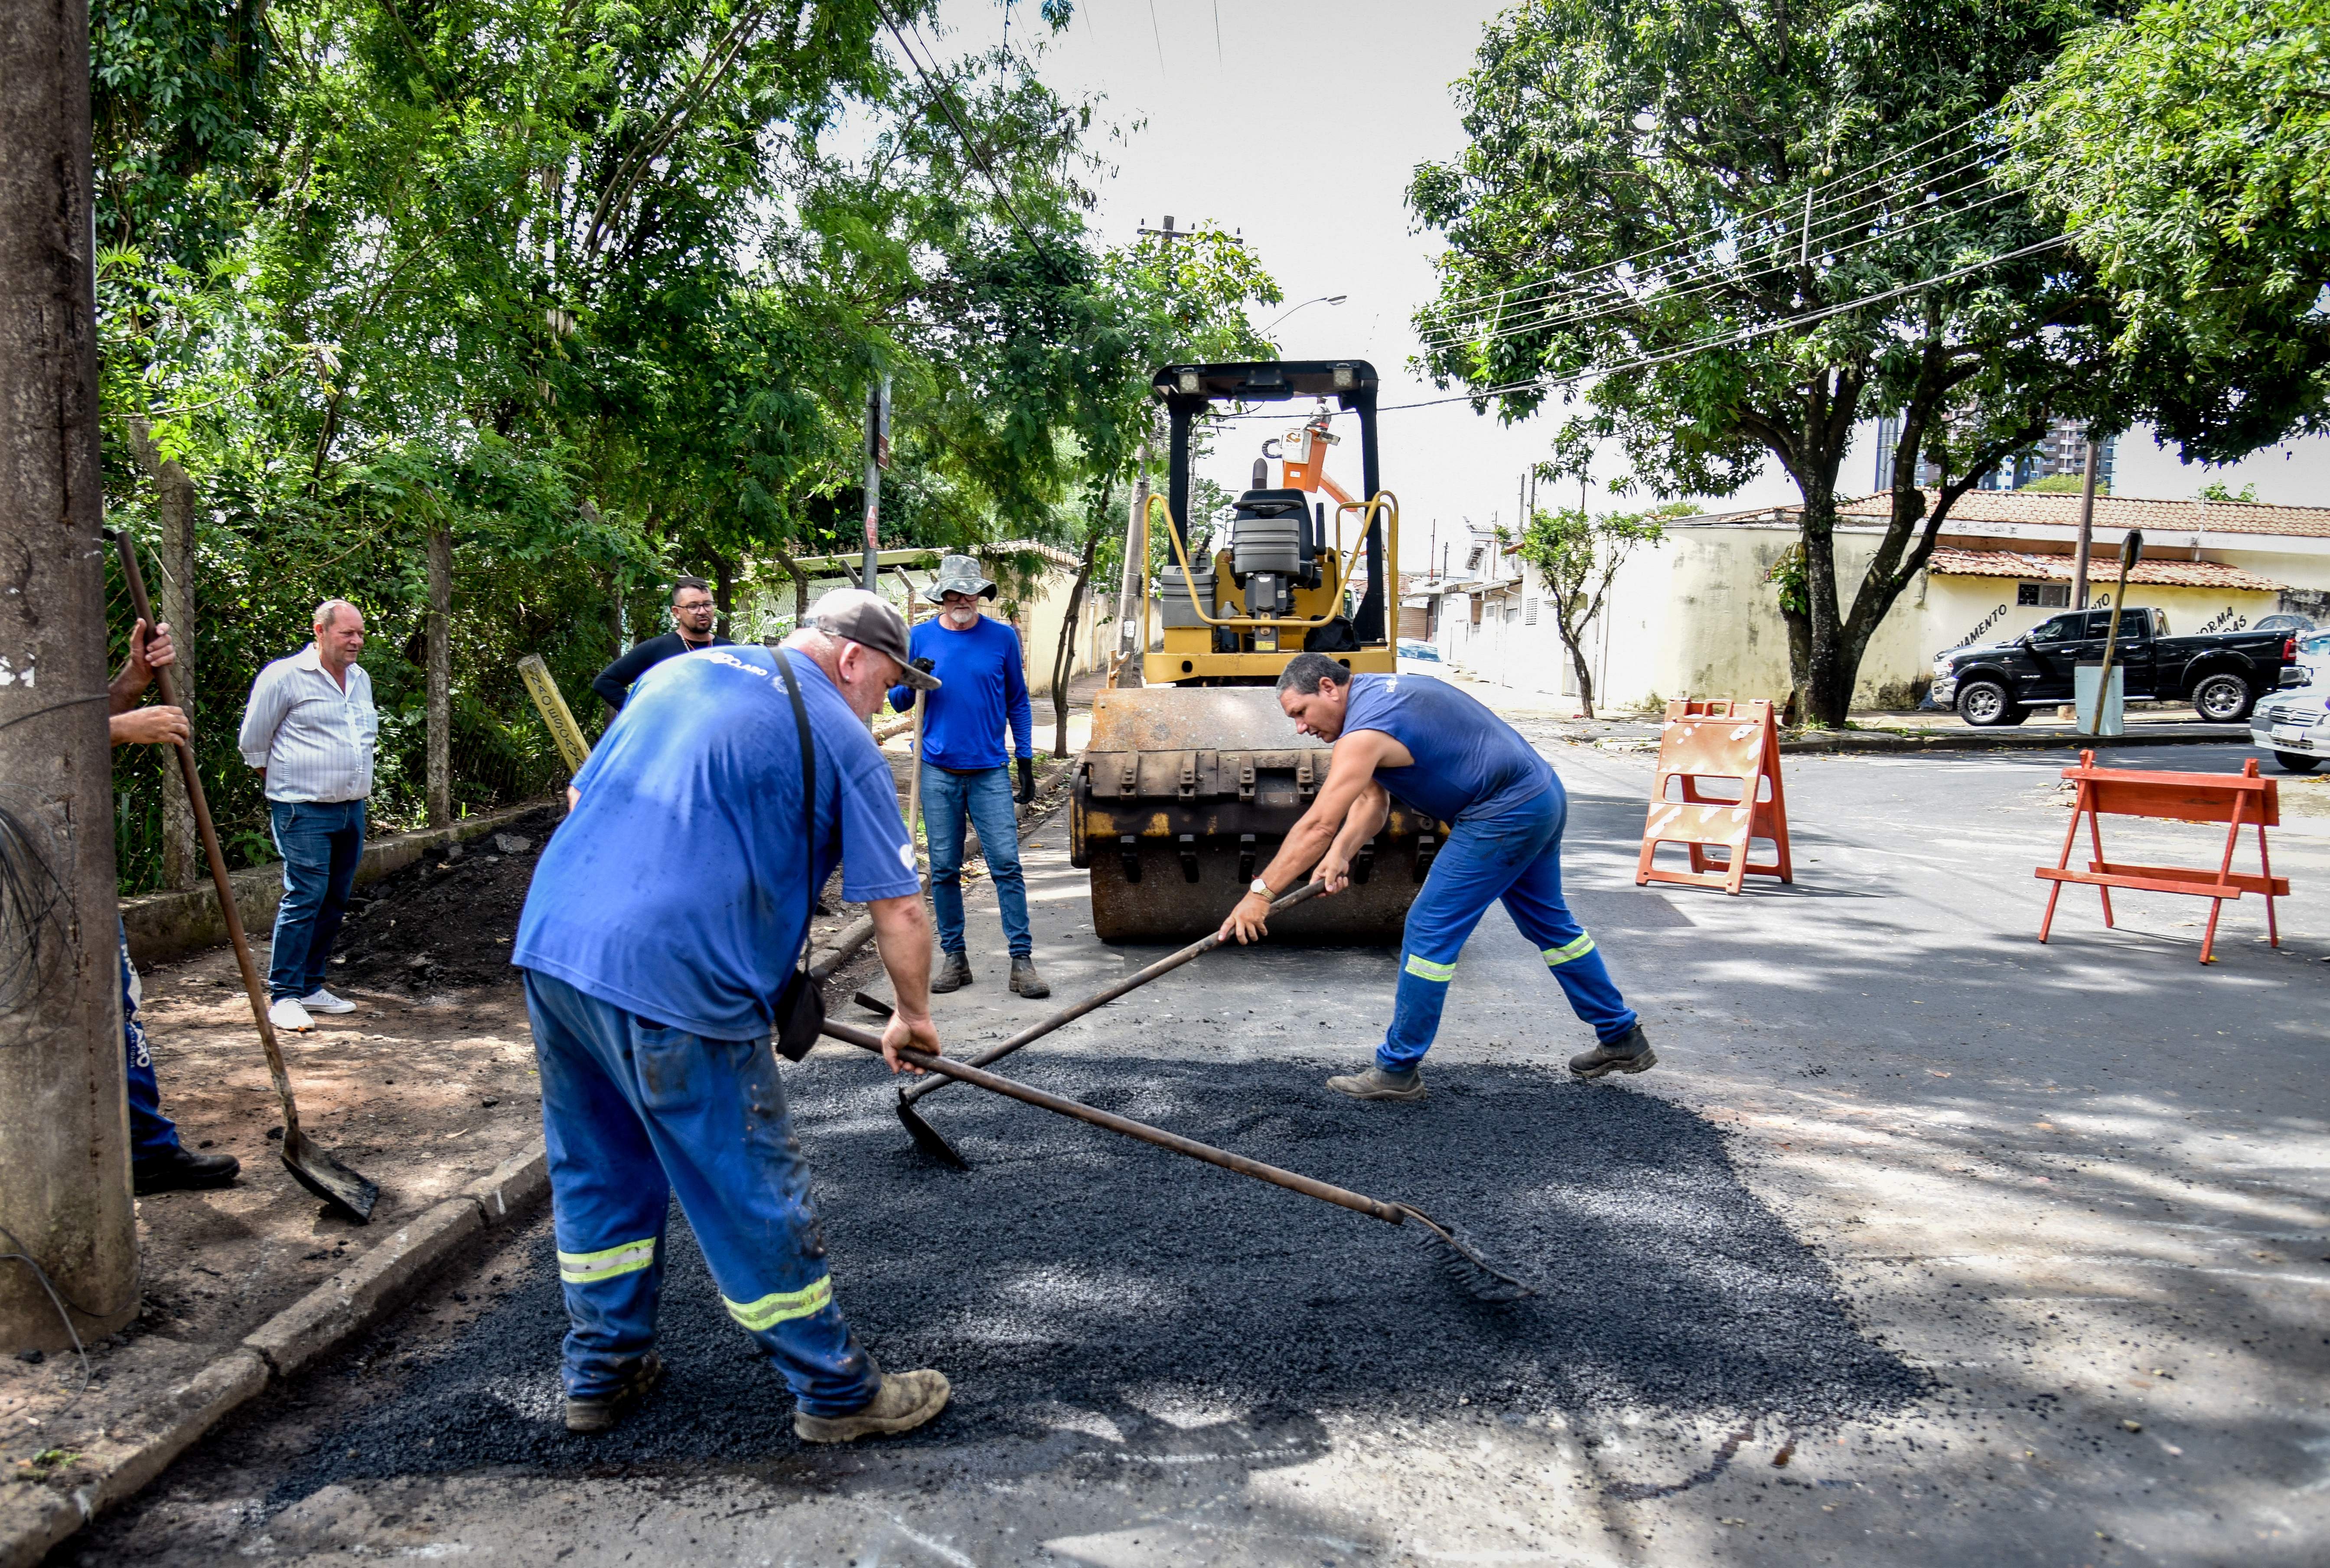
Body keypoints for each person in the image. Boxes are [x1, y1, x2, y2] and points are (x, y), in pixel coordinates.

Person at [512, 588, 953, 1443]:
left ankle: (600, 1371)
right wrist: (913, 1015)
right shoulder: (837, 735)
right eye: (887, 685)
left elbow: (581, 801)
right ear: (853, 658)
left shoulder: (674, 679)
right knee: (748, 1182)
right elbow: (897, 908)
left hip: (557, 951)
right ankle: (835, 1391)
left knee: (598, 1166)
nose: (883, 704)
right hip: (676, 981)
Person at [1218, 653, 1653, 1100]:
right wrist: (1340, 854)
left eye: (1300, 712)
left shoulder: (1365, 731)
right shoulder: (1376, 701)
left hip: (1501, 814)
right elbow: (1372, 803)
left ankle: (1396, 1069)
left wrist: (1261, 893)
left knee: (1429, 928)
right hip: (1540, 796)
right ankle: (1620, 1036)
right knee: (1550, 925)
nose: (1300, 727)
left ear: (1328, 687)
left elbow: (1317, 824)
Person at [108, 617, 241, 1193]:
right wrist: (118, 727)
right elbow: (29, 739)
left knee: (118, 1004)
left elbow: (49, 723)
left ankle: (145, 1149)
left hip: (60, 870)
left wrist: (133, 680)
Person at [885, 555, 1046, 998]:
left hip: (989, 770)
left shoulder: (1002, 637)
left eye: (969, 593)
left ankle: (1021, 960)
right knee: (942, 870)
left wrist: (1026, 760)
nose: (962, 600)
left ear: (979, 595)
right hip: (936, 770)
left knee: (1007, 866)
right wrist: (912, 675)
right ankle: (954, 958)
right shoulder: (919, 635)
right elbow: (898, 703)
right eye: (954, 593)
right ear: (941, 595)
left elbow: (1018, 701)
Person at [238, 600, 376, 1034]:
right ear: (320, 630)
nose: (355, 642)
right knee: (305, 895)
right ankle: (284, 995)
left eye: (360, 634)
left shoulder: (360, 679)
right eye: (346, 634)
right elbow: (253, 742)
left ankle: (312, 985)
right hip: (303, 807)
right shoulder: (284, 676)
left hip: (351, 806)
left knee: (335, 897)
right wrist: (289, 784)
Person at [590, 577, 731, 712]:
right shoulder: (656, 649)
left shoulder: (730, 650)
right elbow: (605, 682)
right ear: (677, 612)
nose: (702, 611)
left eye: (708, 605)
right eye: (693, 606)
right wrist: (641, 715)